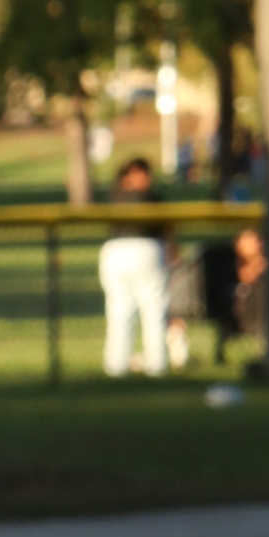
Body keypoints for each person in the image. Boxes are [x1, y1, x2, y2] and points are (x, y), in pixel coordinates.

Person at [98, 155, 171, 376]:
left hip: (117, 253)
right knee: (144, 310)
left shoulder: (114, 197)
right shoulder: (151, 198)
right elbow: (169, 231)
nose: (144, 178)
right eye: (138, 173)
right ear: (126, 176)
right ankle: (149, 366)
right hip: (141, 250)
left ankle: (121, 366)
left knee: (129, 311)